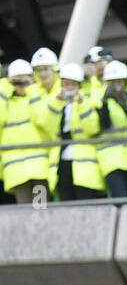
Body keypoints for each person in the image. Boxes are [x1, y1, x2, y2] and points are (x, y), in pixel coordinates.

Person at [36, 62, 105, 200]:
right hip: (62, 161)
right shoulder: (54, 101)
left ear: (79, 85)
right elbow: (48, 127)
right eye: (66, 84)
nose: (69, 88)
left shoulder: (88, 101)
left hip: (85, 165)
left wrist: (82, 105)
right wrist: (56, 102)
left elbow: (93, 128)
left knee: (86, 202)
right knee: (65, 201)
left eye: (72, 84)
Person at [0, 59, 52, 203]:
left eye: (24, 79)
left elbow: (43, 119)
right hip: (16, 169)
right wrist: (4, 89)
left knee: (40, 207)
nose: (21, 84)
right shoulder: (5, 101)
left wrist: (32, 89)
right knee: (24, 211)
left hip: (39, 167)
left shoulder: (40, 95)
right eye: (17, 81)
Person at [94, 60, 127, 197]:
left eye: (120, 82)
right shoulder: (99, 101)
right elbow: (104, 124)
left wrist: (124, 105)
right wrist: (105, 102)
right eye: (113, 83)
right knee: (120, 197)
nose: (117, 86)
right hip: (111, 157)